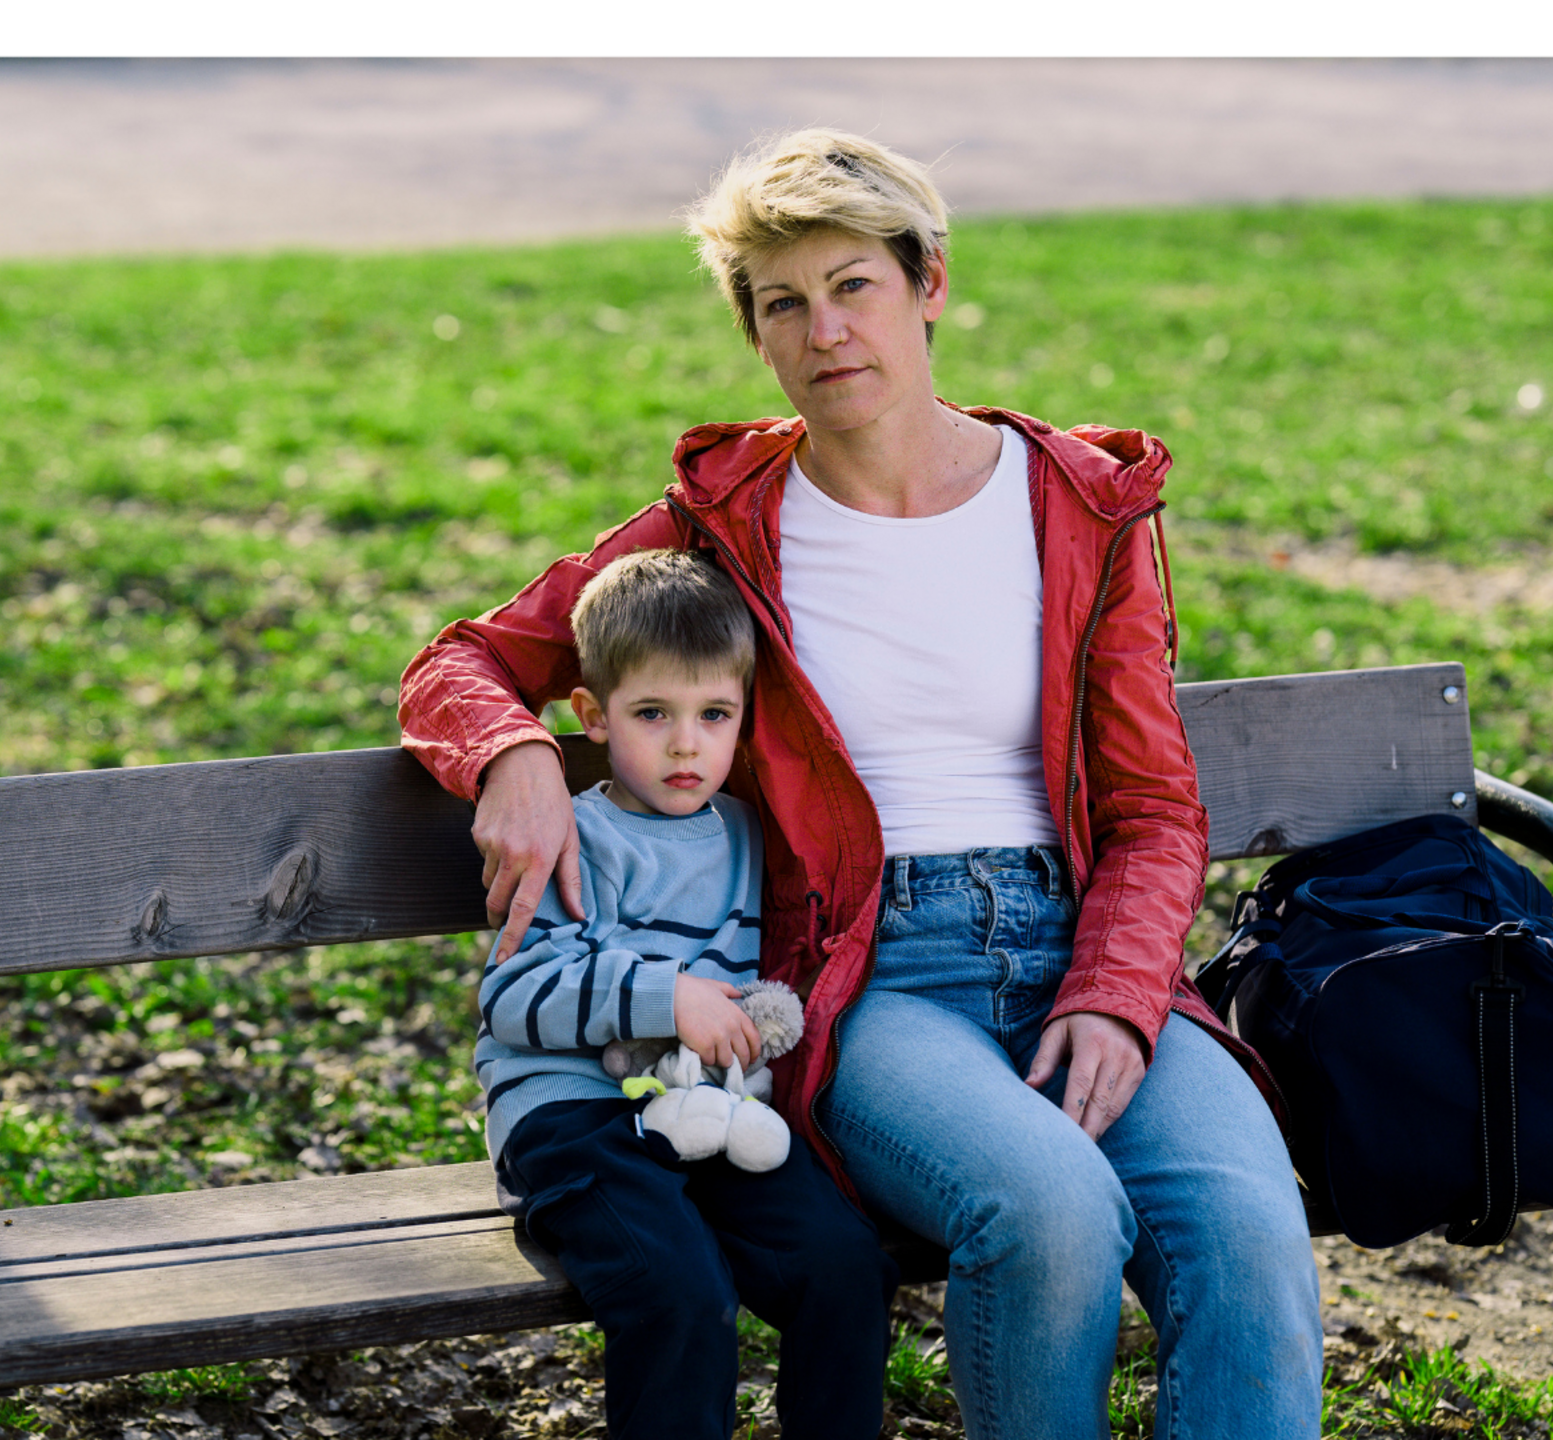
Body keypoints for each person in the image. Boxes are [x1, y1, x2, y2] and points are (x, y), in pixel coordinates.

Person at [402, 130, 1322, 1439]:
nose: (825, 330)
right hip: (875, 978)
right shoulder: (719, 528)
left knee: (1249, 1236)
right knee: (1048, 1214)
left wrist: (1118, 1000)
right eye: (784, 303)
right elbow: (469, 660)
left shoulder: (1077, 506)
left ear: (929, 283)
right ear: (757, 335)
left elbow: (1154, 807)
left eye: (854, 286)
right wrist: (517, 754)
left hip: (1088, 954)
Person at [472, 547, 899, 1440]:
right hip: (573, 1116)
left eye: (714, 714)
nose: (684, 744)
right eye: (652, 713)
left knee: (845, 1264)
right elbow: (514, 992)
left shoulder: (748, 831)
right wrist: (671, 999)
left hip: (707, 1112)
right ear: (591, 714)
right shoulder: (575, 837)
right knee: (681, 1294)